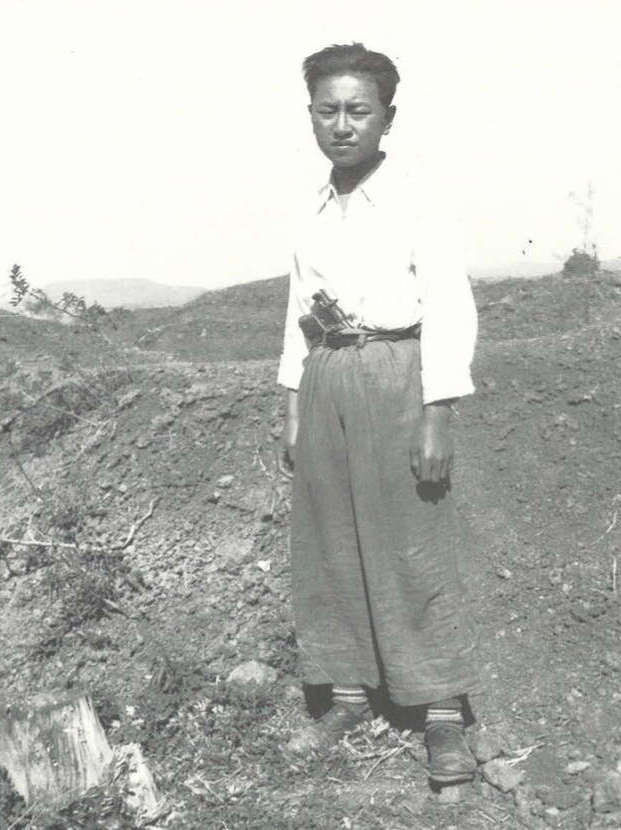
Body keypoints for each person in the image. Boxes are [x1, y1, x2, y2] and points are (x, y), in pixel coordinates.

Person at [277, 43, 479, 784]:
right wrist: (293, 403)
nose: (342, 124)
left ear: (386, 117)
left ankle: (443, 718)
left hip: (398, 370)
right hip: (327, 372)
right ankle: (350, 693)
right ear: (310, 118)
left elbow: (451, 307)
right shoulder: (310, 208)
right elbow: (297, 312)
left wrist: (438, 413)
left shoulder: (419, 200)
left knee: (410, 538)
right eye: (327, 110)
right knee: (329, 537)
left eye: (357, 110)